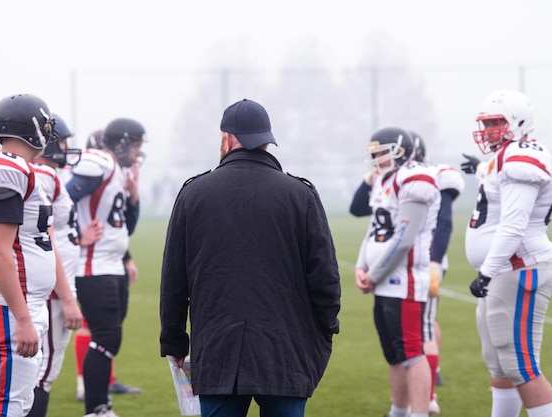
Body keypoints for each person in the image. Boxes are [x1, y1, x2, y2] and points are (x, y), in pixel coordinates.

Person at [160, 98, 341, 417]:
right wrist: (325, 329)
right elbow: (325, 277)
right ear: (267, 141)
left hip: (218, 353)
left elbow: (174, 281)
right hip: (286, 352)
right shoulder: (300, 195)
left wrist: (174, 342)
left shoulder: (193, 194)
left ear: (227, 139)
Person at [0, 93, 71, 417]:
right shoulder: (2, 167)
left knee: (21, 403)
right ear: (33, 127)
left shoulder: (19, 167)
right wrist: (22, 318)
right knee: (5, 406)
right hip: (6, 306)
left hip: (17, 305)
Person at [465, 89, 552, 417]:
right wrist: (480, 166)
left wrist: (487, 271)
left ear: (520, 123)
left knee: (520, 365)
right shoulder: (505, 157)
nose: (489, 129)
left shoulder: (521, 158)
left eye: (497, 122)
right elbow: (497, 176)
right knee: (499, 364)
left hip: (520, 266)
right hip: (506, 269)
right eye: (487, 122)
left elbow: (513, 225)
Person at [354, 127, 439, 417]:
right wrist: (360, 266)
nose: (375, 158)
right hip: (383, 281)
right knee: (394, 355)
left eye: (380, 151)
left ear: (399, 152)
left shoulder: (414, 178)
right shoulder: (384, 180)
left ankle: (418, 412)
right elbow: (374, 230)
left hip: (404, 281)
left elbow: (404, 240)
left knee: (412, 354)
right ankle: (398, 412)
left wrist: (373, 274)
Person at [66, 118, 146, 417]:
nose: (138, 153)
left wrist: (133, 196)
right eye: (136, 145)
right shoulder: (99, 161)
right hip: (93, 266)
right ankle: (96, 408)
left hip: (113, 265)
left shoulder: (120, 172)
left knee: (110, 337)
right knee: (105, 336)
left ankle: (102, 405)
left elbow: (126, 226)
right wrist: (76, 236)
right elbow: (61, 198)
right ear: (120, 143)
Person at [27, 113, 85, 417]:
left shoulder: (46, 175)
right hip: (52, 288)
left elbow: (59, 232)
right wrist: (67, 297)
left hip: (53, 282)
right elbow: (47, 238)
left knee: (41, 369)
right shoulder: (44, 175)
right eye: (62, 140)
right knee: (42, 371)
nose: (67, 147)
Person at [410, 132, 464, 415]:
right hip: (412, 261)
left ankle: (428, 397)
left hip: (424, 261)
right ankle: (435, 373)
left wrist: (434, 262)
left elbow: (444, 222)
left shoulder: (436, 176)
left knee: (423, 327)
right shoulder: (401, 178)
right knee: (426, 322)